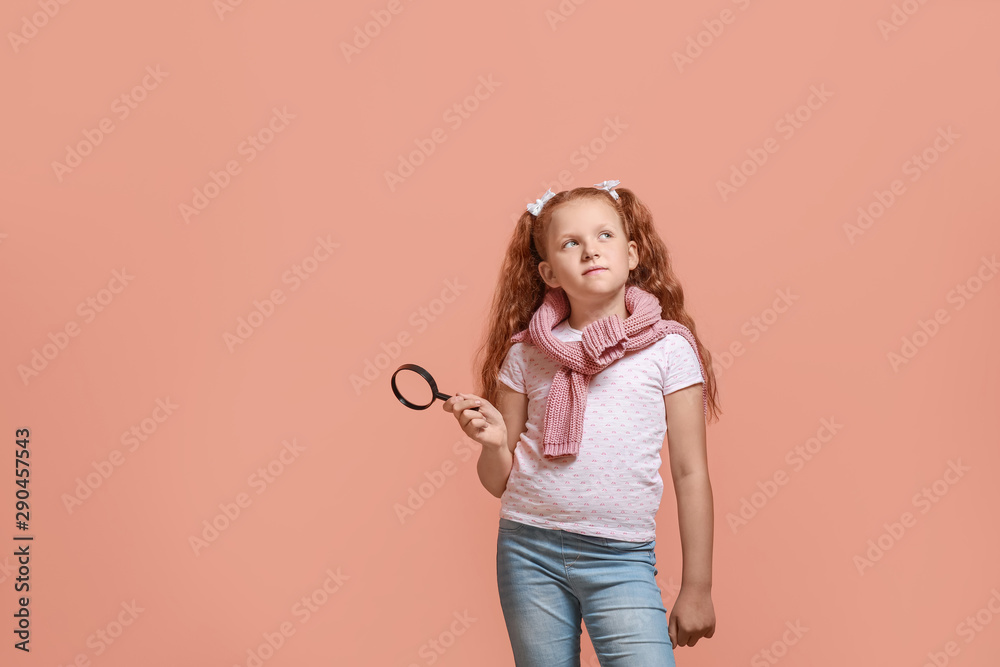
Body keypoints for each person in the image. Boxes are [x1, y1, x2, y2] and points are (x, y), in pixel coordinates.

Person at [444, 180, 720, 666]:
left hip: (621, 559)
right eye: (572, 242)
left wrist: (697, 587)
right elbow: (499, 483)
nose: (591, 250)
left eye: (605, 236)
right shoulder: (525, 353)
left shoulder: (669, 347)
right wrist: (492, 445)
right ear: (549, 272)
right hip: (526, 549)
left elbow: (690, 472)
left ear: (633, 254)